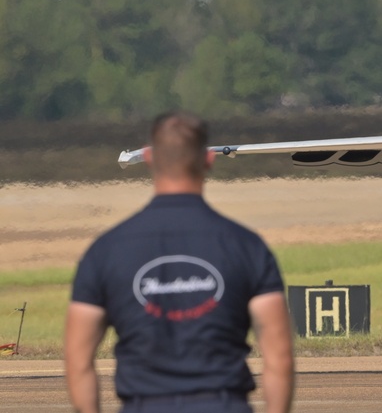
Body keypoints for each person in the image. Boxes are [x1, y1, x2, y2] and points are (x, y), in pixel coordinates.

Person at [64, 111, 294, 413]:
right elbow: (279, 358)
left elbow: (78, 360)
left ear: (148, 158)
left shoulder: (105, 250)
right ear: (208, 160)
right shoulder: (247, 246)